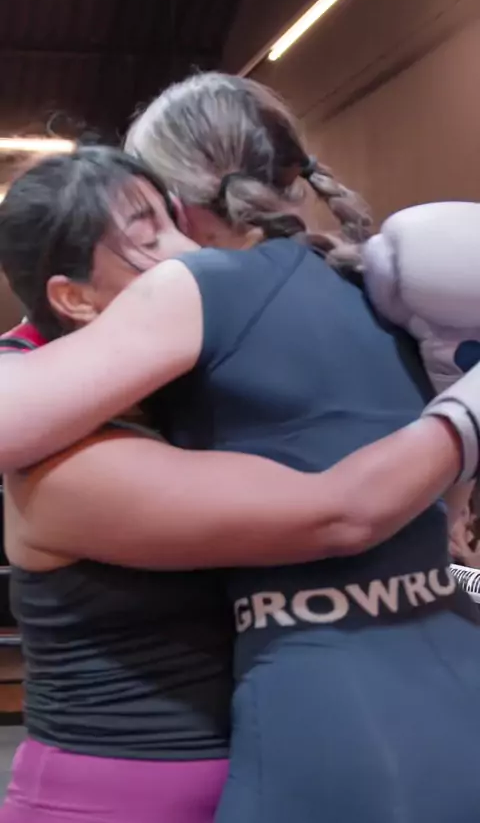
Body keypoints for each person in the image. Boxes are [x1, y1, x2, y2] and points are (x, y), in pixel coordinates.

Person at [0, 79, 480, 821]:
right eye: (148, 234)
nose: (177, 252)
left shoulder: (213, 322)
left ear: (188, 201)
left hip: (306, 733)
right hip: (123, 791)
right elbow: (342, 508)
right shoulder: (68, 460)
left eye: (170, 222)